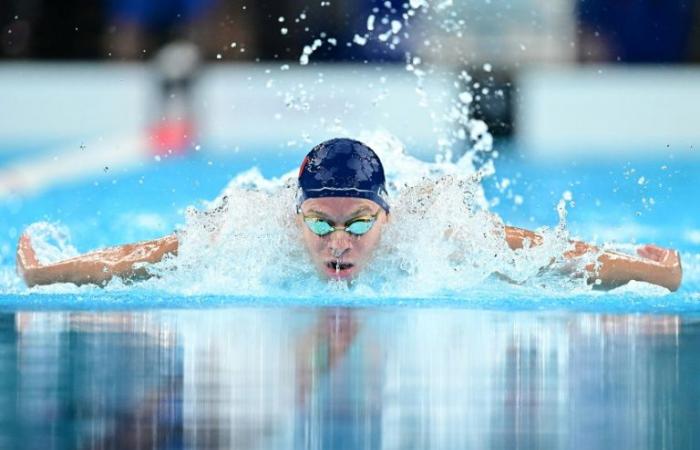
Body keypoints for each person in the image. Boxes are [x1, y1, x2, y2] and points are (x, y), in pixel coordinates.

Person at [16, 138, 683, 291]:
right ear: (298, 217)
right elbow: (157, 253)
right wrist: (53, 273)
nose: (341, 241)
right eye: (324, 225)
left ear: (386, 219)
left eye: (360, 224)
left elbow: (539, 251)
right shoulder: (258, 222)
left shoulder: (429, 224)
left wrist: (644, 270)